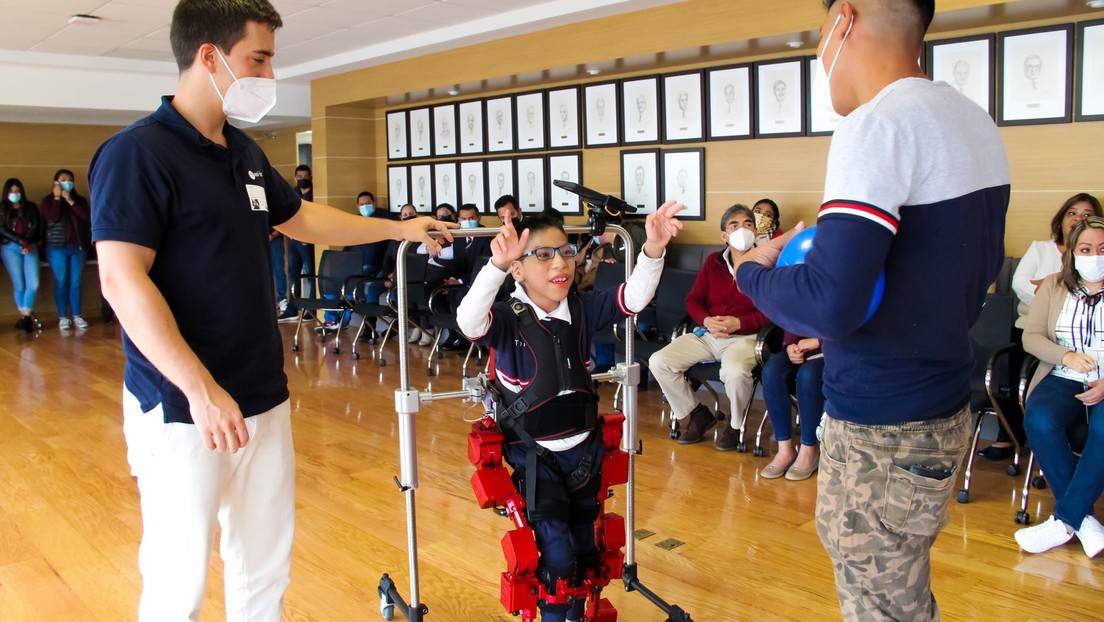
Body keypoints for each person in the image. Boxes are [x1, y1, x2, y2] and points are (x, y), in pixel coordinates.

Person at [87, 2, 453, 619]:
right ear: (209, 56)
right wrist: (201, 391)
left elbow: (302, 218)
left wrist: (398, 228)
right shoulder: (136, 155)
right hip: (182, 408)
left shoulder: (243, 151)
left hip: (262, 394)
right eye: (257, 59)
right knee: (179, 583)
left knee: (263, 569)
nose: (268, 74)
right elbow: (123, 282)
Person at [733, 1, 1010, 619]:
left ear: (845, 21)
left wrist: (752, 272)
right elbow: (963, 272)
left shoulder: (876, 124)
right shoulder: (973, 122)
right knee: (903, 593)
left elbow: (830, 303)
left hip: (882, 427)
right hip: (942, 406)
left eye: (818, 33)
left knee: (880, 604)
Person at [456, 203, 683, 622]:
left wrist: (652, 249)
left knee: (584, 551)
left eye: (565, 252)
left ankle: (577, 614)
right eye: (543, 255)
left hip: (585, 452)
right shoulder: (507, 320)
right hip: (535, 456)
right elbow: (469, 322)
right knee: (556, 554)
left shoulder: (581, 308)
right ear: (518, 270)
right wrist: (495, 266)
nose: (560, 263)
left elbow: (633, 299)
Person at [982, 192, 1104, 460]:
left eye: (1086, 214)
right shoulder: (1044, 255)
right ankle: (1009, 436)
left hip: (1092, 363)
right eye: (1072, 213)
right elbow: (1021, 284)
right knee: (1021, 376)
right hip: (1040, 331)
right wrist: (1051, 290)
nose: (1078, 219)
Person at [1014, 216, 1104, 559]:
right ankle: (1085, 522)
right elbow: (1031, 336)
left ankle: (1065, 521)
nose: (1094, 255)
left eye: (1102, 249)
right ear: (1072, 252)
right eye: (1086, 249)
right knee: (1039, 418)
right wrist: (1065, 355)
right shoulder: (1053, 285)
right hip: (1064, 375)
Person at [648, 204, 769, 450]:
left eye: (748, 224)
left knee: (735, 372)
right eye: (734, 226)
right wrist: (705, 320)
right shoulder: (714, 262)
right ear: (724, 236)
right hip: (708, 334)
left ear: (756, 231)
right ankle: (697, 413)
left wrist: (740, 322)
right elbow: (693, 300)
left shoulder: (768, 263)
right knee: (659, 361)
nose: (742, 230)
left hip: (746, 337)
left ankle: (735, 427)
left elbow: (776, 310)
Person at [759, 332, 823, 481]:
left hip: (833, 351)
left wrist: (817, 342)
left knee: (807, 376)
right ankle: (785, 450)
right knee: (771, 372)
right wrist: (790, 345)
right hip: (802, 348)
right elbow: (791, 317)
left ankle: (810, 450)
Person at [39, 168, 92, 330]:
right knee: (61, 281)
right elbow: (53, 217)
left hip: (78, 247)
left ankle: (77, 315)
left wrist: (70, 200)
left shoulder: (79, 200)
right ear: (56, 183)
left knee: (75, 282)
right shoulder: (48, 201)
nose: (66, 183)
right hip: (56, 248)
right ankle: (63, 316)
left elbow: (86, 217)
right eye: (63, 180)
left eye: (69, 180)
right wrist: (57, 198)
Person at [0, 178, 43, 332]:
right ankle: (25, 317)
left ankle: (24, 317)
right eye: (11, 191)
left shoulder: (30, 207)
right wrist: (21, 242)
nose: (15, 194)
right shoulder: (2, 208)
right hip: (10, 247)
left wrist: (27, 242)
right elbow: (3, 230)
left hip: (30, 246)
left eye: (17, 191)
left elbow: (36, 226)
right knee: (19, 283)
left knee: (34, 283)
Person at [285, 163, 316, 317]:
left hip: (308, 241)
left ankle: (311, 309)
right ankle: (292, 308)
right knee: (293, 276)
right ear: (295, 178)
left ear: (311, 177)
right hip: (293, 239)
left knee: (311, 275)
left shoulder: (316, 194)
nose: (303, 179)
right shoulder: (292, 193)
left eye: (305, 177)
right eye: (300, 177)